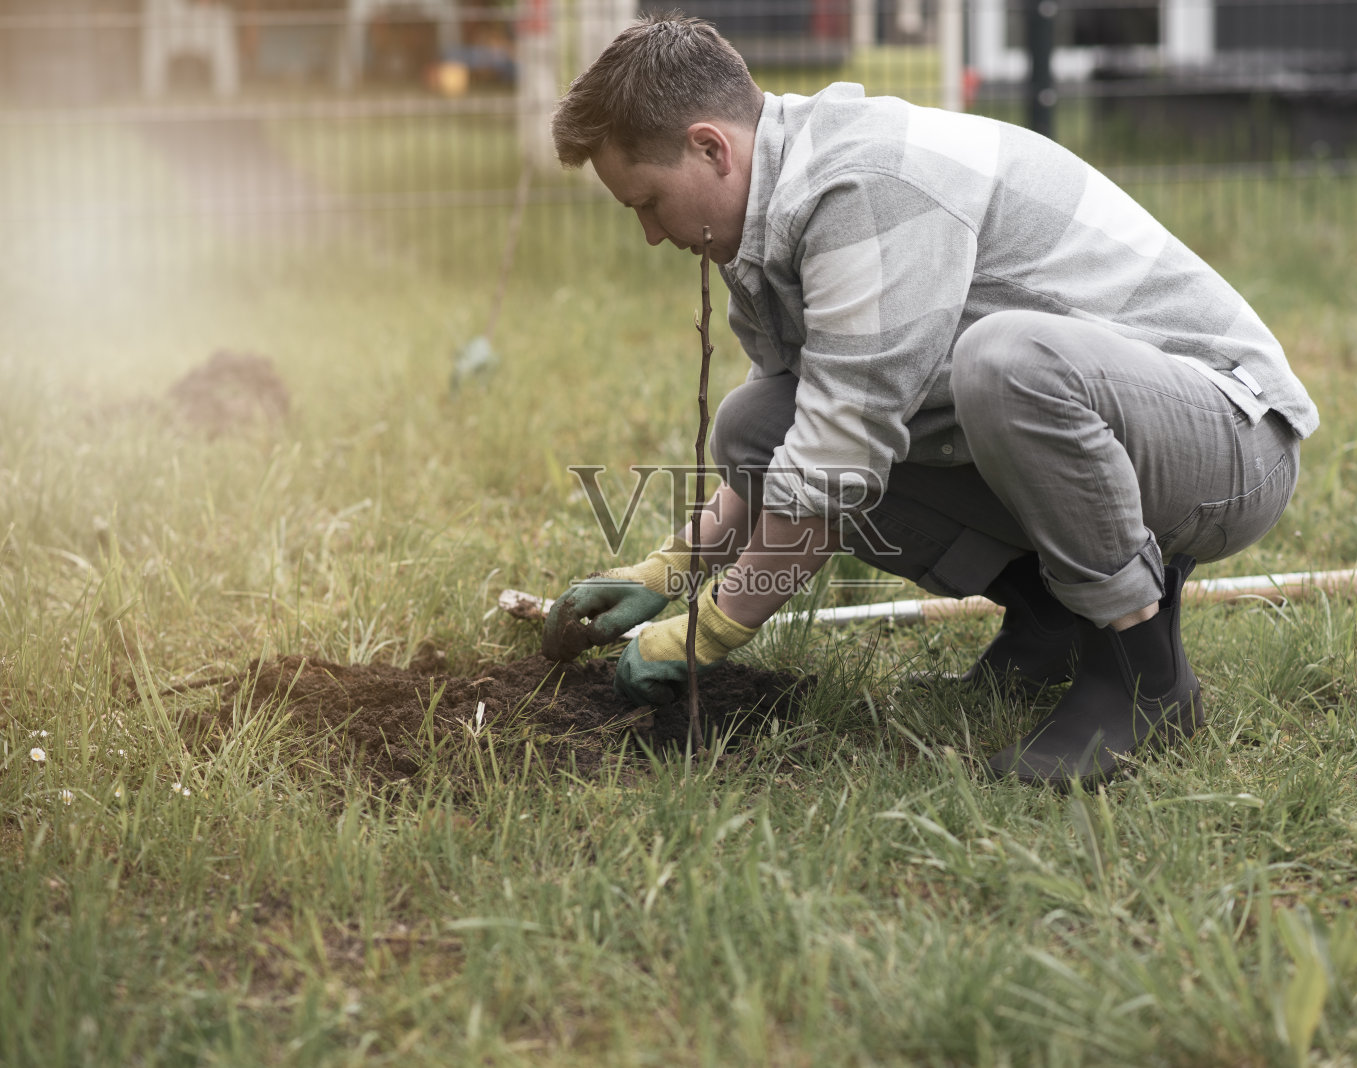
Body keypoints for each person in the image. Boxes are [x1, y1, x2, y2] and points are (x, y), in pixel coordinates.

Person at [542, 14, 1317, 788]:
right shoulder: (764, 222)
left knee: (1007, 362)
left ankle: (1142, 669)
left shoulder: (863, 187)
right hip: (1112, 431)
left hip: (1228, 438)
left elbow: (831, 467)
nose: (649, 233)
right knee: (756, 424)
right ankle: (1053, 619)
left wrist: (708, 629)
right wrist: (666, 573)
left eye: (647, 202)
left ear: (711, 148)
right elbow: (800, 436)